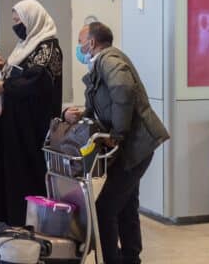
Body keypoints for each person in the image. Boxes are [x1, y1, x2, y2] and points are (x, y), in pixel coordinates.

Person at [64, 22, 169, 264]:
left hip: (136, 146)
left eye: (81, 42)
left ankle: (114, 259)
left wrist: (117, 134)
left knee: (105, 207)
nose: (79, 47)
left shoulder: (109, 60)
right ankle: (131, 257)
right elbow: (104, 100)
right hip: (132, 147)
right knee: (126, 204)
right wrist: (84, 114)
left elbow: (122, 89)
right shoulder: (100, 63)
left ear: (91, 43)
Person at [0, 0, 63, 226]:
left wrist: (6, 86)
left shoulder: (48, 48)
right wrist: (4, 68)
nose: (16, 25)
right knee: (11, 174)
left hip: (31, 129)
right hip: (14, 126)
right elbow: (23, 72)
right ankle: (10, 219)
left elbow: (38, 83)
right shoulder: (26, 45)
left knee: (26, 176)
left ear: (32, 20)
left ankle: (26, 223)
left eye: (19, 20)